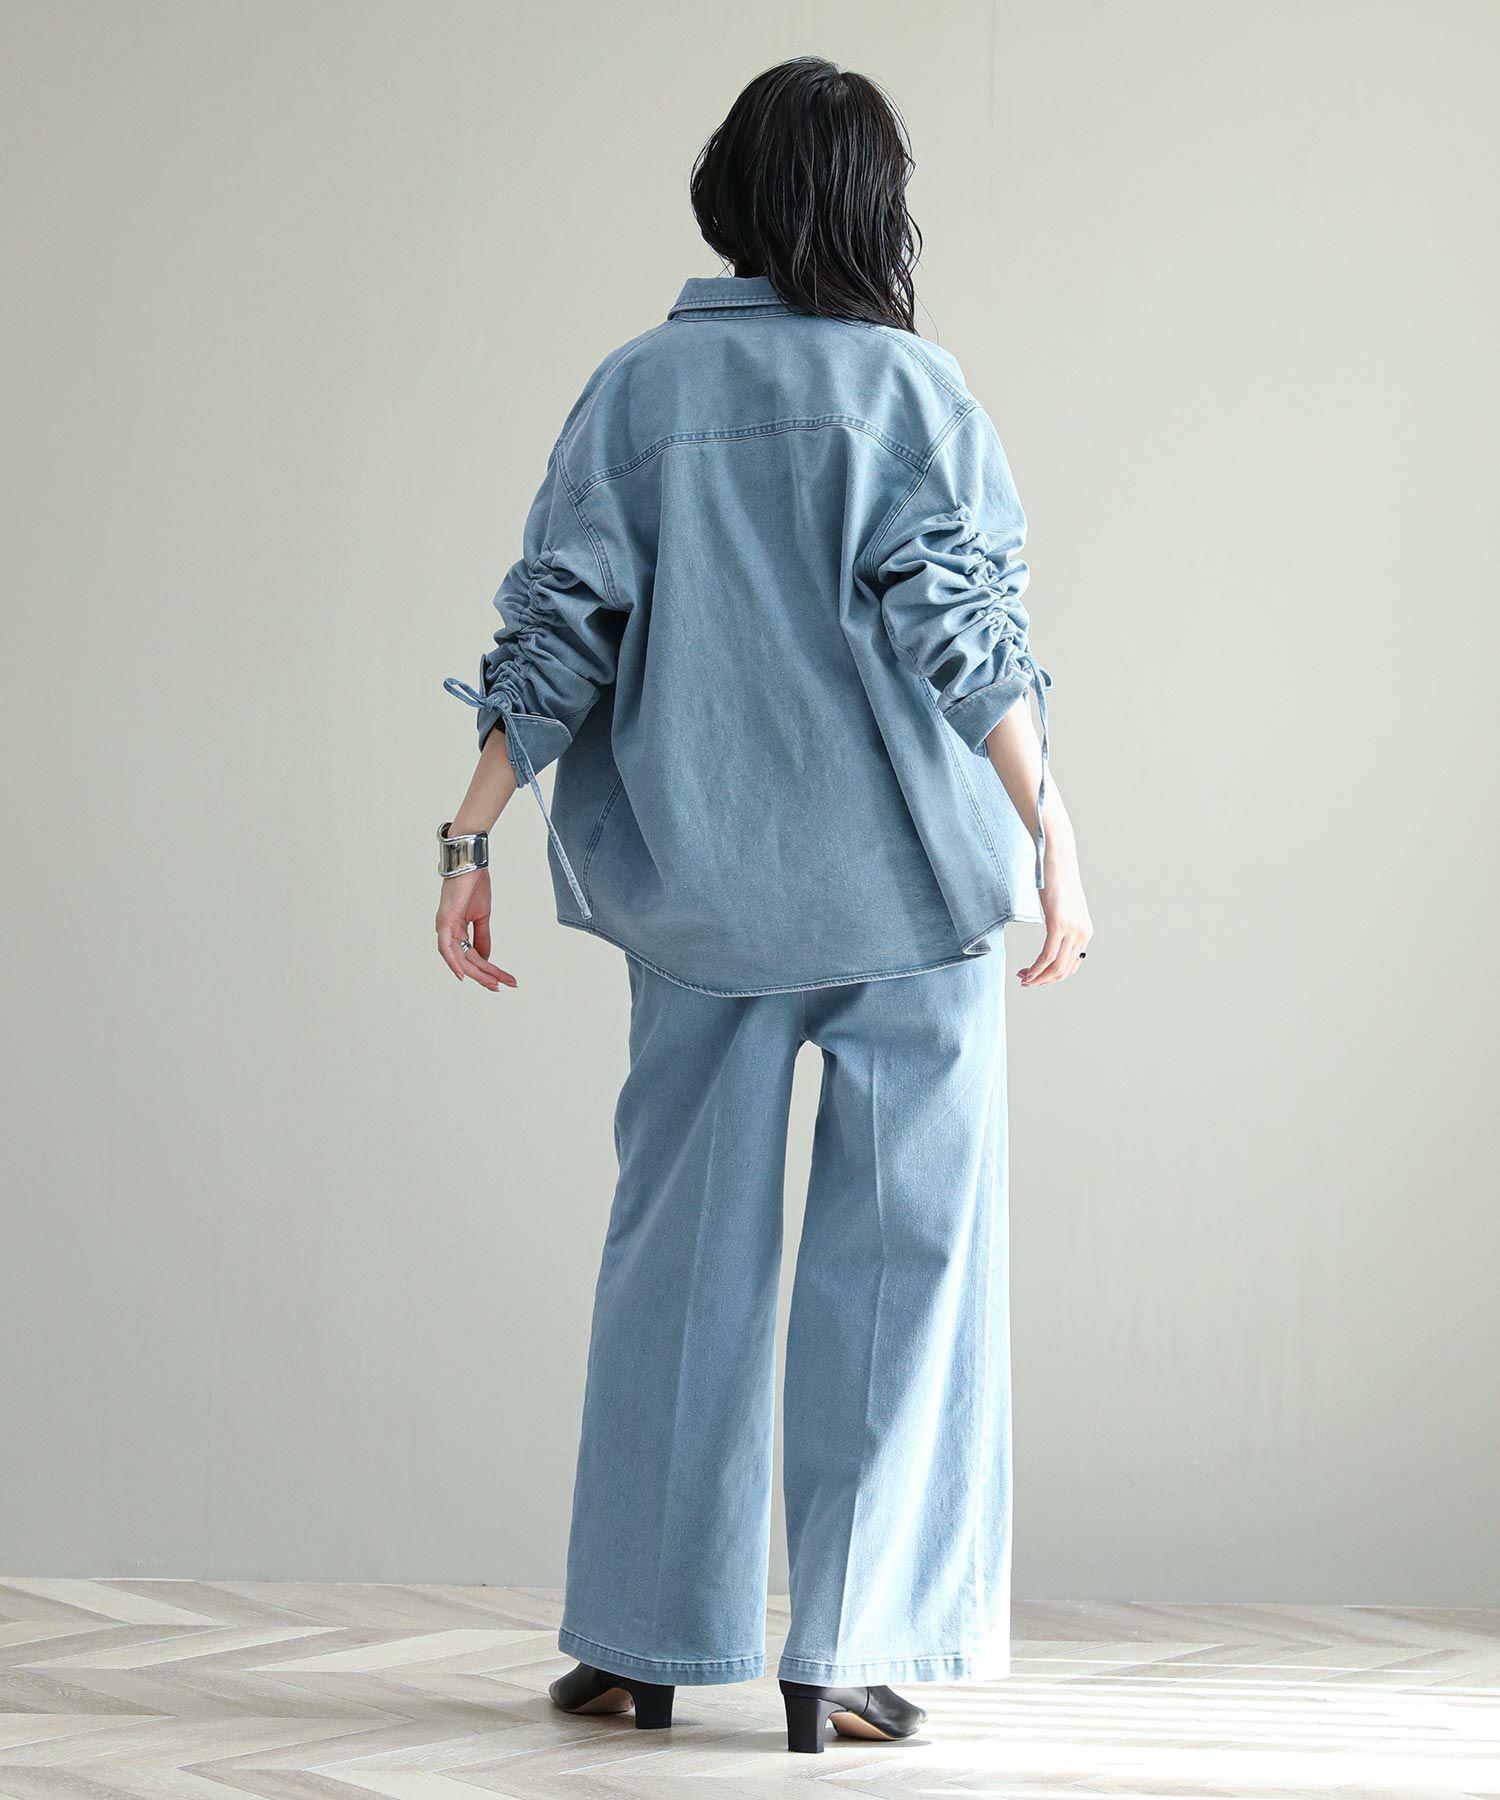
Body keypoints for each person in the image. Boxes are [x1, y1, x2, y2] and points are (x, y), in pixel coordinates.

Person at [435, 56, 1092, 1755]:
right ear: (875, 209)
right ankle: (849, 1655)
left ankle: (642, 1645)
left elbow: (557, 628)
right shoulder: (913, 390)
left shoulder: (634, 391)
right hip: (911, 903)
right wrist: (1053, 831)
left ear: (726, 194)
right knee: (904, 1271)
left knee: (679, 1259)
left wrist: (469, 837)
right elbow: (962, 631)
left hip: (702, 907)